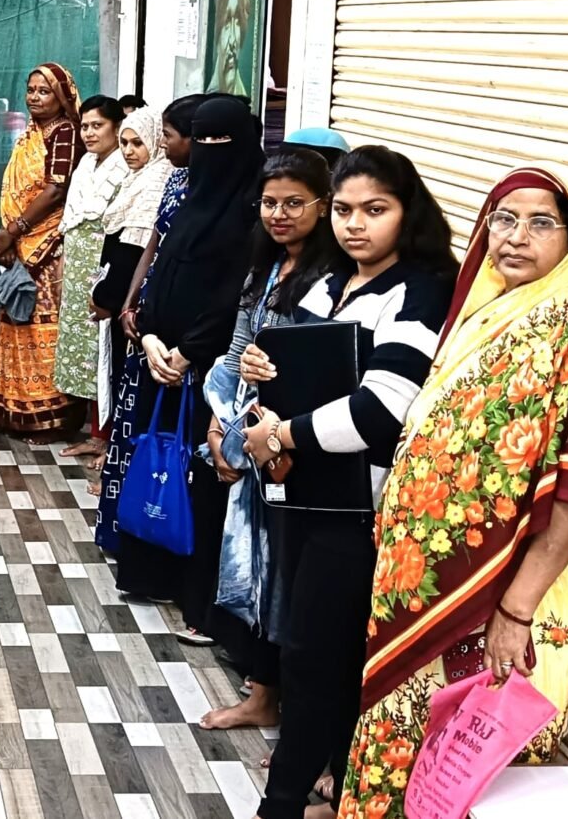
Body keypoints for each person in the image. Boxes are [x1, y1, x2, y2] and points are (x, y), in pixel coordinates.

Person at [339, 163, 568, 819]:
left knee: (470, 764)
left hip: (502, 594)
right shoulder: (483, 308)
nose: (516, 236)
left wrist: (515, 611)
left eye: (541, 223)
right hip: (423, 581)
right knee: (403, 738)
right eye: (503, 219)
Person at [239, 145, 458, 819]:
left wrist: (281, 434)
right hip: (301, 495)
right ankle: (334, 785)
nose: (355, 224)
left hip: (359, 511)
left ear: (407, 213)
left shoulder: (420, 292)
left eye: (375, 210)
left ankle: (282, 803)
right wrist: (258, 376)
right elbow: (287, 372)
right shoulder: (327, 280)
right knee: (312, 654)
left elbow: (378, 412)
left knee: (315, 658)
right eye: (343, 210)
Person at [110, 96, 263, 643]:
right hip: (161, 359)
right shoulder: (191, 195)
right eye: (201, 138)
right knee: (158, 460)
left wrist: (188, 352)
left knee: (202, 475)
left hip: (212, 371)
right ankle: (154, 573)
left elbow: (233, 297)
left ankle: (198, 596)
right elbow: (165, 267)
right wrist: (150, 335)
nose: (208, 151)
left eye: (220, 140)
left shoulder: (252, 211)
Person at [196, 148, 340, 718]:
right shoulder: (265, 265)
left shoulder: (331, 278)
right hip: (244, 427)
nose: (279, 215)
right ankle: (260, 689)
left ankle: (272, 697)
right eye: (269, 203)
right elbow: (237, 350)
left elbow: (316, 369)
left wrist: (262, 430)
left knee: (282, 569)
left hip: (290, 440)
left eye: (294, 203)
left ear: (323, 205)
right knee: (255, 559)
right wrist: (218, 424)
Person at [97, 94, 208, 551]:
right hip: (148, 324)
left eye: (168, 135)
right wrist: (130, 303)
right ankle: (126, 527)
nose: (161, 144)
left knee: (170, 438)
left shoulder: (214, 192)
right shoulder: (175, 179)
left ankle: (162, 530)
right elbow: (153, 246)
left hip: (186, 341)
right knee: (137, 425)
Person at [0, 63, 84, 439]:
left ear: (62, 97)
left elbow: (56, 190)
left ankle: (53, 418)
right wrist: (10, 237)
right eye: (31, 90)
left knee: (43, 328)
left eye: (44, 91)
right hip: (20, 242)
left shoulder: (65, 133)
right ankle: (19, 411)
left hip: (48, 246)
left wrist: (14, 230)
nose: (35, 98)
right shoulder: (31, 134)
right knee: (19, 324)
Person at [54, 95, 128, 475]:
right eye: (84, 126)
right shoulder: (85, 162)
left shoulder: (126, 168)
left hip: (104, 265)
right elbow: (72, 217)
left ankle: (110, 439)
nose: (89, 133)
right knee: (84, 352)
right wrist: (64, 259)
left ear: (117, 128)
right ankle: (97, 433)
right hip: (77, 262)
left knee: (105, 352)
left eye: (97, 125)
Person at [94, 106, 173, 408]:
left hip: (132, 298)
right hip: (122, 296)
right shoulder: (136, 178)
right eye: (124, 143)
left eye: (138, 143)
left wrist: (107, 296)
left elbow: (136, 249)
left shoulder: (156, 180)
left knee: (128, 379)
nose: (128, 151)